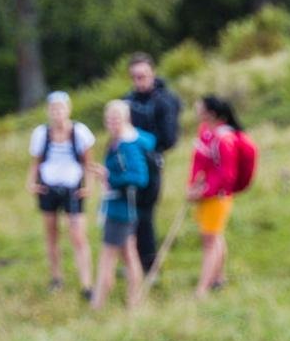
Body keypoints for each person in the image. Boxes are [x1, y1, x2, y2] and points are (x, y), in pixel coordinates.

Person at [91, 98, 156, 311]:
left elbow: (139, 177)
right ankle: (134, 301)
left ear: (126, 118)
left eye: (116, 118)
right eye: (109, 118)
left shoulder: (127, 145)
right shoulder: (119, 141)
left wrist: (109, 177)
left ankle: (98, 304)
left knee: (107, 256)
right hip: (120, 206)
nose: (112, 122)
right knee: (129, 253)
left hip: (121, 208)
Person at [27, 91, 93, 295]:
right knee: (52, 235)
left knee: (78, 236)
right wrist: (31, 182)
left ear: (68, 109)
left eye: (61, 108)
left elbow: (88, 161)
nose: (57, 113)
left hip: (73, 187)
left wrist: (88, 185)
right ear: (48, 111)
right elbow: (36, 161)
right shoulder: (41, 134)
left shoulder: (79, 132)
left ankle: (86, 283)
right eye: (53, 109)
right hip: (48, 186)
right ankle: (56, 278)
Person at [124, 52, 183, 275]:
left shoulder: (164, 101)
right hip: (129, 165)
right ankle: (132, 261)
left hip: (151, 164)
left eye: (143, 76)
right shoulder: (127, 101)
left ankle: (149, 264)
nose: (139, 82)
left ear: (152, 74)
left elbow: (170, 138)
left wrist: (144, 143)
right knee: (129, 214)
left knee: (145, 215)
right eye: (135, 77)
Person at [187, 94, 245, 298]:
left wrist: (203, 191)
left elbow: (227, 175)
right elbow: (200, 162)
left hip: (218, 197)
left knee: (209, 240)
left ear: (210, 113)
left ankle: (202, 289)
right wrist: (193, 185)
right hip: (205, 195)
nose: (196, 110)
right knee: (214, 236)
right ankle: (218, 279)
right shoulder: (205, 132)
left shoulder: (224, 138)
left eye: (200, 108)